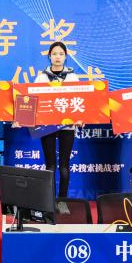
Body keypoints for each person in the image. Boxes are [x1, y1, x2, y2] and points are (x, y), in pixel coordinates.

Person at [31, 41, 81, 198]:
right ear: (49, 56)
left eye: (61, 54)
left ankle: (63, 200)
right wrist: (23, 118)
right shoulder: (41, 77)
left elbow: (80, 100)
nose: (57, 57)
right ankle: (49, 200)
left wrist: (80, 118)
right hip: (47, 126)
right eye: (54, 54)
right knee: (50, 165)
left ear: (65, 57)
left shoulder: (72, 77)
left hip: (67, 126)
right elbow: (32, 99)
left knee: (64, 166)